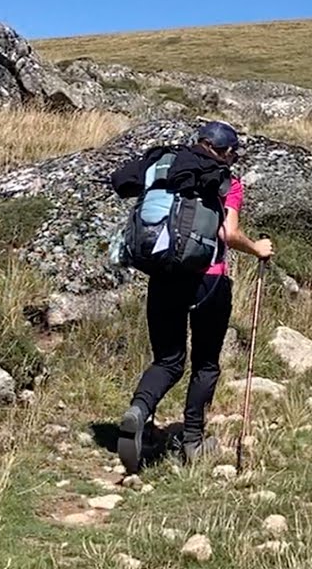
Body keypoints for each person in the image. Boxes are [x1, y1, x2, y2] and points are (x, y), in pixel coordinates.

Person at [113, 120, 273, 473]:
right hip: (209, 282)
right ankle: (193, 441)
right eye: (233, 152)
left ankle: (139, 411)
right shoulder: (227, 180)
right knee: (205, 363)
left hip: (164, 274)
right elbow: (228, 234)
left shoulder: (164, 165)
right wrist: (257, 248)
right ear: (226, 152)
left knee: (168, 360)